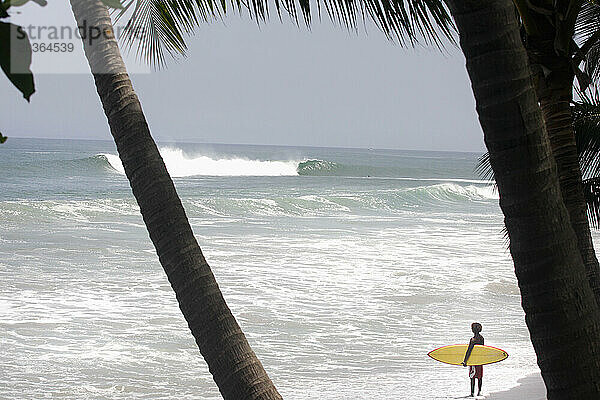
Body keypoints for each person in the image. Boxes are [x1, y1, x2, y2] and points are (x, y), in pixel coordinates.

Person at [461, 322, 484, 397]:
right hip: (480, 360)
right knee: (480, 377)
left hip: (473, 361)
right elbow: (482, 350)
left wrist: (465, 361)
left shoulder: (473, 340)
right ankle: (479, 392)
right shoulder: (482, 338)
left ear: (473, 330)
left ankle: (472, 393)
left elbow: (469, 351)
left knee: (472, 377)